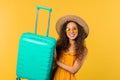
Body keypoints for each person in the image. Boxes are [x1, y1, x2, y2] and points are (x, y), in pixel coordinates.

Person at [52, 15, 89, 80]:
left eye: (74, 29)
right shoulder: (59, 44)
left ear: (79, 31)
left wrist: (57, 62)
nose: (71, 31)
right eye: (68, 29)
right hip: (55, 77)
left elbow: (73, 70)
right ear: (65, 32)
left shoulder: (83, 50)